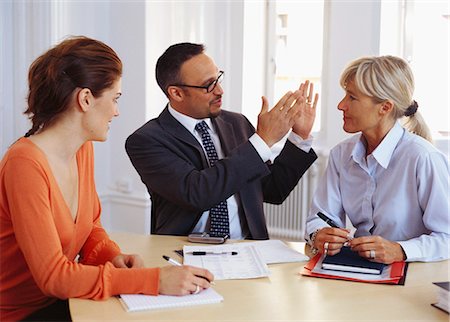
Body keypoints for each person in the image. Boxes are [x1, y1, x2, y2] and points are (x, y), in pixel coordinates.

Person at [0, 36, 213, 322]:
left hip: (67, 301)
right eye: (115, 98)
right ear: (86, 99)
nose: (116, 111)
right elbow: (54, 277)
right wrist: (152, 280)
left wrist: (111, 256)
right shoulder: (24, 163)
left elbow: (89, 228)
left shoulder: (81, 149)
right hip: (22, 313)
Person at [125, 42, 318, 240]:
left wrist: (299, 137)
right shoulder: (146, 140)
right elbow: (198, 193)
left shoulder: (237, 123)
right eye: (209, 85)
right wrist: (262, 141)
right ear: (177, 93)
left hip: (247, 248)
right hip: (183, 253)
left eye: (218, 78)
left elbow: (272, 190)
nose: (220, 91)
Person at [305, 55, 449, 264]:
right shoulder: (341, 154)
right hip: (359, 270)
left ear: (385, 107)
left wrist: (400, 250)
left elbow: (447, 237)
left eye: (352, 98)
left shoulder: (423, 158)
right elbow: (319, 216)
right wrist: (319, 233)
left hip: (412, 278)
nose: (341, 105)